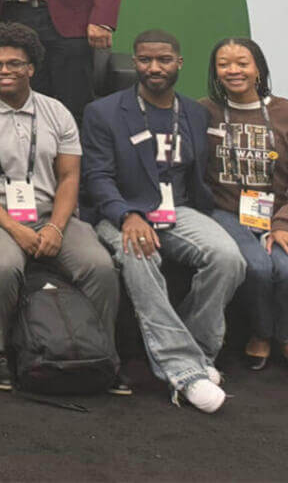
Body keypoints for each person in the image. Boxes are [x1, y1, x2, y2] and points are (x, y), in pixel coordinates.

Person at [81, 29, 245, 413]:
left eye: (164, 60)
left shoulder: (194, 112)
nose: (154, 67)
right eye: (144, 59)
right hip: (119, 211)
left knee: (227, 258)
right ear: (133, 62)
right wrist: (127, 215)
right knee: (140, 256)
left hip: (178, 210)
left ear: (179, 63)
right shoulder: (103, 112)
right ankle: (184, 372)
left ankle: (199, 352)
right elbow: (98, 177)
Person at [0, 22, 121, 392]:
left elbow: (69, 178)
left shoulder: (57, 113)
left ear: (32, 67)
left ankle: (103, 353)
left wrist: (57, 228)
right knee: (3, 267)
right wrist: (15, 230)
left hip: (50, 212)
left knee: (100, 266)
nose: (5, 71)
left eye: (15, 63)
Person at [199, 37, 288, 370]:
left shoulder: (284, 112)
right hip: (224, 212)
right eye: (224, 64)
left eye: (242, 63)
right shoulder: (203, 111)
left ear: (258, 68)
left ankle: (284, 335)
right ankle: (262, 333)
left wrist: (280, 224)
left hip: (277, 212)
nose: (233, 70)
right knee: (259, 267)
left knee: (285, 267)